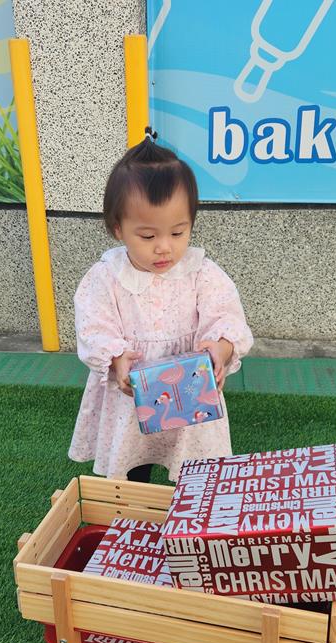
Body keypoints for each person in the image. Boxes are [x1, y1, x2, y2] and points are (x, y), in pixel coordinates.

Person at [68, 134, 253, 484]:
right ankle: (133, 504)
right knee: (132, 466)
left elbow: (226, 315)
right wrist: (116, 357)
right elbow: (94, 325)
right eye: (148, 237)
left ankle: (190, 507)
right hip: (131, 392)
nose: (164, 248)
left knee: (194, 469)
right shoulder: (107, 277)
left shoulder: (202, 273)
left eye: (178, 233)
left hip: (190, 391)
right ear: (118, 228)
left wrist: (221, 348)